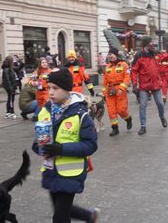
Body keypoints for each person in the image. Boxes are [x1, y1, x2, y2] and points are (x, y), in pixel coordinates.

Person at [32, 67, 99, 223]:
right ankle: (90, 216)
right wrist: (40, 147)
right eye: (49, 88)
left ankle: (89, 217)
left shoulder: (80, 114)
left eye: (55, 88)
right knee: (61, 209)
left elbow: (90, 145)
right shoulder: (45, 111)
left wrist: (60, 149)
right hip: (50, 169)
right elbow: (38, 140)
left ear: (67, 89)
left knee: (60, 217)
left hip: (70, 173)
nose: (51, 92)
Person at [131, 36, 168, 135]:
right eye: (150, 42)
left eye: (152, 42)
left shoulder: (156, 54)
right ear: (146, 44)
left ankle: (162, 117)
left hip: (156, 84)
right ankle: (143, 126)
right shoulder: (139, 55)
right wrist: (134, 85)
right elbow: (134, 71)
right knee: (143, 105)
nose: (152, 44)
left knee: (160, 103)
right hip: (144, 85)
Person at [102, 48, 133, 136]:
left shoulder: (123, 64)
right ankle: (115, 129)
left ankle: (128, 119)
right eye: (109, 54)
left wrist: (121, 88)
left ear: (116, 55)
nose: (110, 56)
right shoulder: (107, 66)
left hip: (120, 91)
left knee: (121, 110)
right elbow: (104, 81)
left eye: (111, 54)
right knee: (111, 111)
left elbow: (127, 77)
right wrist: (104, 93)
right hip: (110, 91)